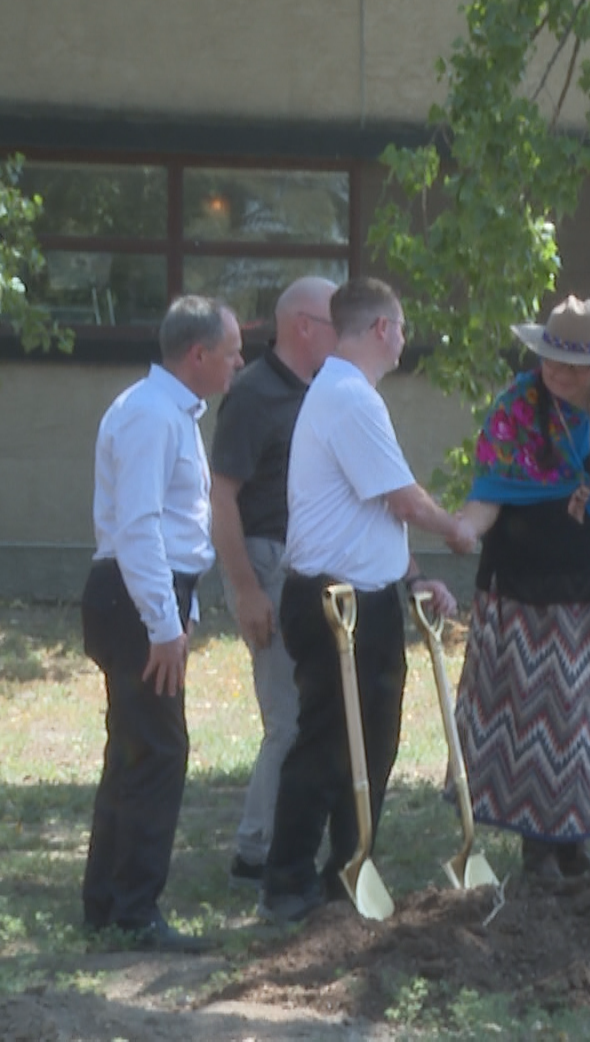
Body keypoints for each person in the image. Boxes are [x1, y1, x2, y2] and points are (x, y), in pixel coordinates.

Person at [258, 277, 472, 923]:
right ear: (381, 328)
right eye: (402, 327)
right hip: (334, 602)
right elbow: (405, 499)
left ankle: (348, 871)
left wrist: (414, 580)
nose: (405, 338)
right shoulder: (349, 397)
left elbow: (376, 515)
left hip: (368, 597)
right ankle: (288, 883)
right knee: (329, 741)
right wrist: (457, 528)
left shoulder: (349, 396)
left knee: (373, 742)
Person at [452, 297, 590, 885]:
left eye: (573, 366)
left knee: (586, 721)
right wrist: (462, 528)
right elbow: (490, 490)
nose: (559, 374)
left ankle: (576, 846)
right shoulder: (515, 408)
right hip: (520, 589)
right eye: (550, 361)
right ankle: (537, 852)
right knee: (530, 720)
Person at [83, 295, 244, 952]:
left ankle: (107, 902)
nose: (239, 363)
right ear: (197, 354)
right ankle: (133, 911)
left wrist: (182, 607)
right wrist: (163, 623)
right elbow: (140, 526)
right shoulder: (153, 416)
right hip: (135, 595)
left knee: (134, 748)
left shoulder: (166, 412)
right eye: (232, 352)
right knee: (158, 751)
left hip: (141, 592)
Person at [209, 276, 338, 890]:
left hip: (310, 567)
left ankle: (287, 841)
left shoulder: (321, 390)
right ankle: (254, 852)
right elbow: (222, 498)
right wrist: (246, 589)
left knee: (313, 714)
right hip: (269, 562)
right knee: (286, 719)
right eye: (338, 322)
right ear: (304, 325)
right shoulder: (255, 395)